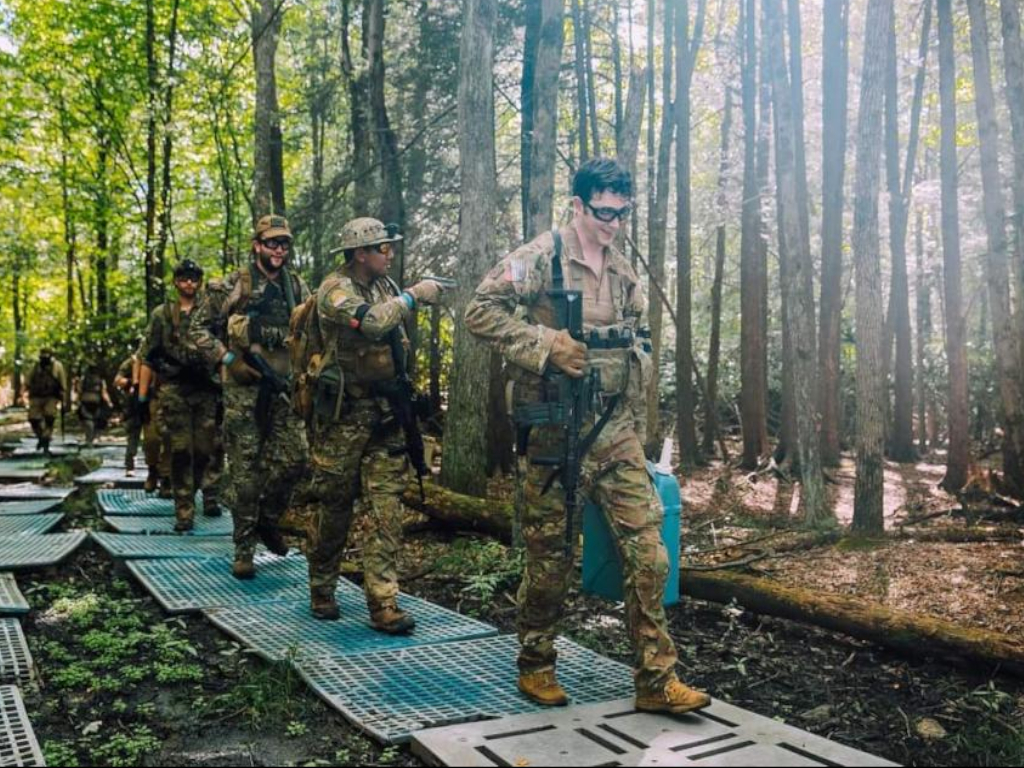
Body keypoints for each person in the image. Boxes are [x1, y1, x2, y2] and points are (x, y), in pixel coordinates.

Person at [465, 158, 710, 714]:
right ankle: (536, 663)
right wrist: (546, 344)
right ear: (577, 205)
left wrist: (639, 432)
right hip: (553, 429)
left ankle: (656, 680)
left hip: (613, 430)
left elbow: (639, 348)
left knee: (650, 553)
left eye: (623, 214)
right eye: (604, 213)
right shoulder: (541, 257)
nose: (614, 224)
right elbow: (480, 312)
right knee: (549, 560)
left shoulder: (623, 273)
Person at [300, 217, 444, 629]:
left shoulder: (384, 288)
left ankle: (383, 602)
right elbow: (373, 322)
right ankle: (322, 585)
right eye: (383, 248)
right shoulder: (334, 290)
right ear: (360, 253)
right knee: (335, 506)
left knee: (386, 509)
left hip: (385, 415)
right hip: (343, 419)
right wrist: (414, 296)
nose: (390, 254)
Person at [189, 215, 310, 577]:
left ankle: (268, 519)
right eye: (272, 243)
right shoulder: (233, 285)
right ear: (257, 245)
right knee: (246, 472)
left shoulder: (296, 287)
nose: (279, 250)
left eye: (284, 243)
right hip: (244, 391)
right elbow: (197, 329)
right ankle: (244, 548)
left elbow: (312, 330)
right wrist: (229, 359)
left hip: (284, 387)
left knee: (297, 459)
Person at [139, 260, 222, 532]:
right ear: (176, 282)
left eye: (194, 279)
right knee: (180, 449)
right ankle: (184, 509)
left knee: (204, 451)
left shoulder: (211, 313)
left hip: (205, 390)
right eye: (184, 278)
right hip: (174, 390)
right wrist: (142, 398)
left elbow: (223, 351)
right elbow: (147, 357)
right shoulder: (162, 315)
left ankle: (194, 492)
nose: (189, 283)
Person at [24, 348, 67, 454]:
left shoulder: (57, 366)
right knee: (34, 420)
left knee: (49, 419)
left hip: (50, 397)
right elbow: (28, 381)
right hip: (37, 397)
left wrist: (63, 394)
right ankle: (42, 438)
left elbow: (62, 382)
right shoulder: (36, 366)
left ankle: (45, 441)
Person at [77, 364, 113, 448]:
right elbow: (104, 392)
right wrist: (109, 402)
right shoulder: (100, 380)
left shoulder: (83, 379)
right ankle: (92, 438)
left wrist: (77, 401)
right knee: (96, 421)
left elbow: (79, 390)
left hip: (85, 401)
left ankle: (89, 440)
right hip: (96, 402)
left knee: (87, 421)